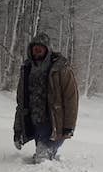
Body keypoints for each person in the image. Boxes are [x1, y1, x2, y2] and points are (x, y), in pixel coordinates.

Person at [13, 32, 79, 162]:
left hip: (54, 124)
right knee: (40, 156)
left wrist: (69, 126)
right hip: (34, 122)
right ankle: (44, 155)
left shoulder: (61, 68)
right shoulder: (26, 69)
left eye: (41, 48)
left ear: (47, 50)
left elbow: (71, 98)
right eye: (34, 48)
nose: (37, 51)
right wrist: (18, 129)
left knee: (42, 160)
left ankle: (46, 163)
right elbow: (21, 102)